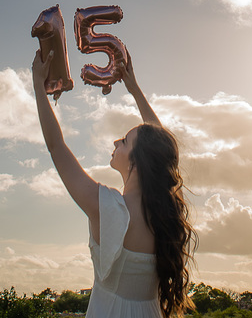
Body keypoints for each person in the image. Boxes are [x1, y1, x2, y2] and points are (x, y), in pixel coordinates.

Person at [32, 50, 195, 318]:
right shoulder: (165, 215)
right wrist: (133, 88)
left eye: (124, 140)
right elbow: (161, 150)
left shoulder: (108, 208)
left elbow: (56, 146)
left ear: (138, 162)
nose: (115, 142)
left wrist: (38, 85)